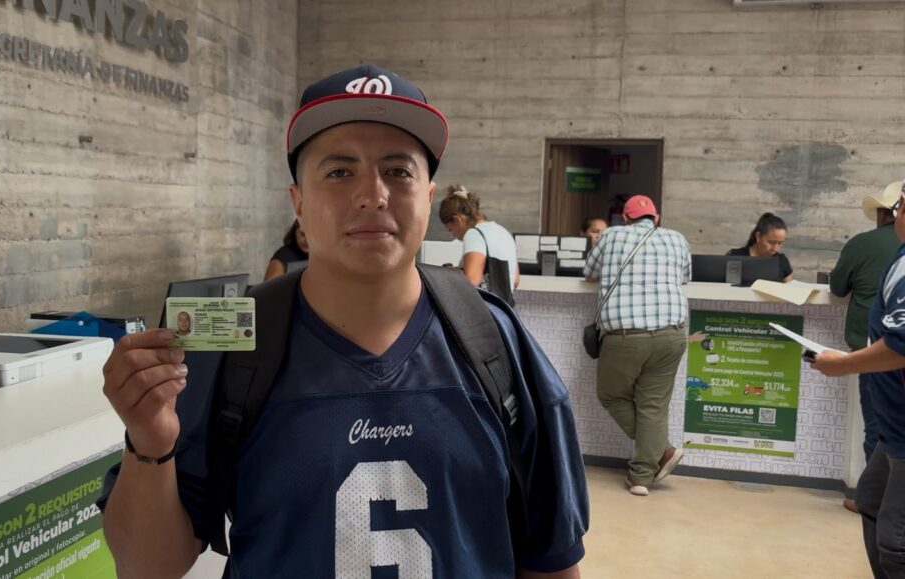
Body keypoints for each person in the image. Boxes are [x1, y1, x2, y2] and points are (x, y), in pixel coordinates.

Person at [97, 64, 588, 578]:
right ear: (298, 203)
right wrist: (148, 444)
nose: (373, 194)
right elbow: (147, 568)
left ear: (428, 197)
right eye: (339, 171)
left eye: (398, 171)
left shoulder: (495, 340)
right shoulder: (230, 346)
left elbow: (552, 560)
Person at [813, 181, 905, 579]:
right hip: (894, 425)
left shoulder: (874, 249)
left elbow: (902, 343)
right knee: (871, 499)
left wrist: (844, 364)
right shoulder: (898, 253)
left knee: (895, 544)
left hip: (898, 419)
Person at [584, 195, 692, 497]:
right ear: (656, 218)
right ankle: (642, 476)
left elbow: (589, 272)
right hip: (672, 334)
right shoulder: (677, 239)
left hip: (626, 335)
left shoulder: (610, 235)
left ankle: (662, 452)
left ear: (625, 218)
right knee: (652, 406)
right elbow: (685, 278)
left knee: (610, 394)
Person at [829, 181, 903, 513]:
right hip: (890, 351)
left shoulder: (861, 244)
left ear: (883, 214)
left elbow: (837, 287)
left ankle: (876, 502)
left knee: (878, 425)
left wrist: (841, 364)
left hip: (872, 352)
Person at [438, 184, 520, 292]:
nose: (453, 235)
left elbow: (472, 280)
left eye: (450, 229)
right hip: (505, 302)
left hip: (484, 302)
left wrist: (450, 273)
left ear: (458, 219)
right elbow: (515, 280)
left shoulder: (474, 234)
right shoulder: (504, 233)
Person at [727, 213, 794, 282]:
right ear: (758, 236)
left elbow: (789, 286)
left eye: (780, 243)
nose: (775, 248)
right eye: (771, 242)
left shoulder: (781, 261)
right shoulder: (735, 257)